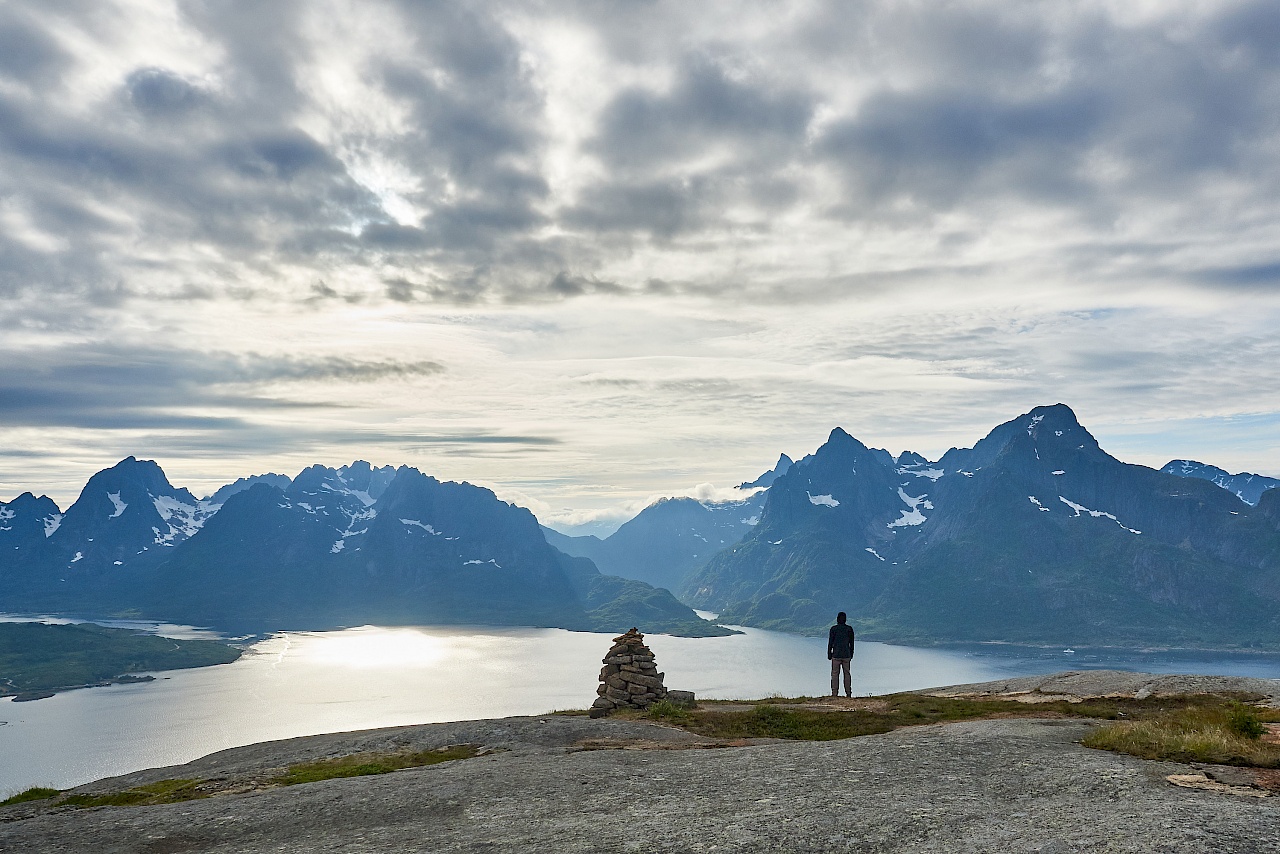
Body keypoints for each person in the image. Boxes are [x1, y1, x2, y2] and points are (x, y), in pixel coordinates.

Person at [827, 611, 855, 698]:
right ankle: (848, 693)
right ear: (845, 620)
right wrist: (851, 653)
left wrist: (829, 653)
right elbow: (852, 643)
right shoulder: (849, 629)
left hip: (836, 655)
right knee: (847, 673)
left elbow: (830, 642)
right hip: (846, 654)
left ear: (837, 619)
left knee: (835, 674)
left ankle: (834, 693)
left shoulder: (833, 629)